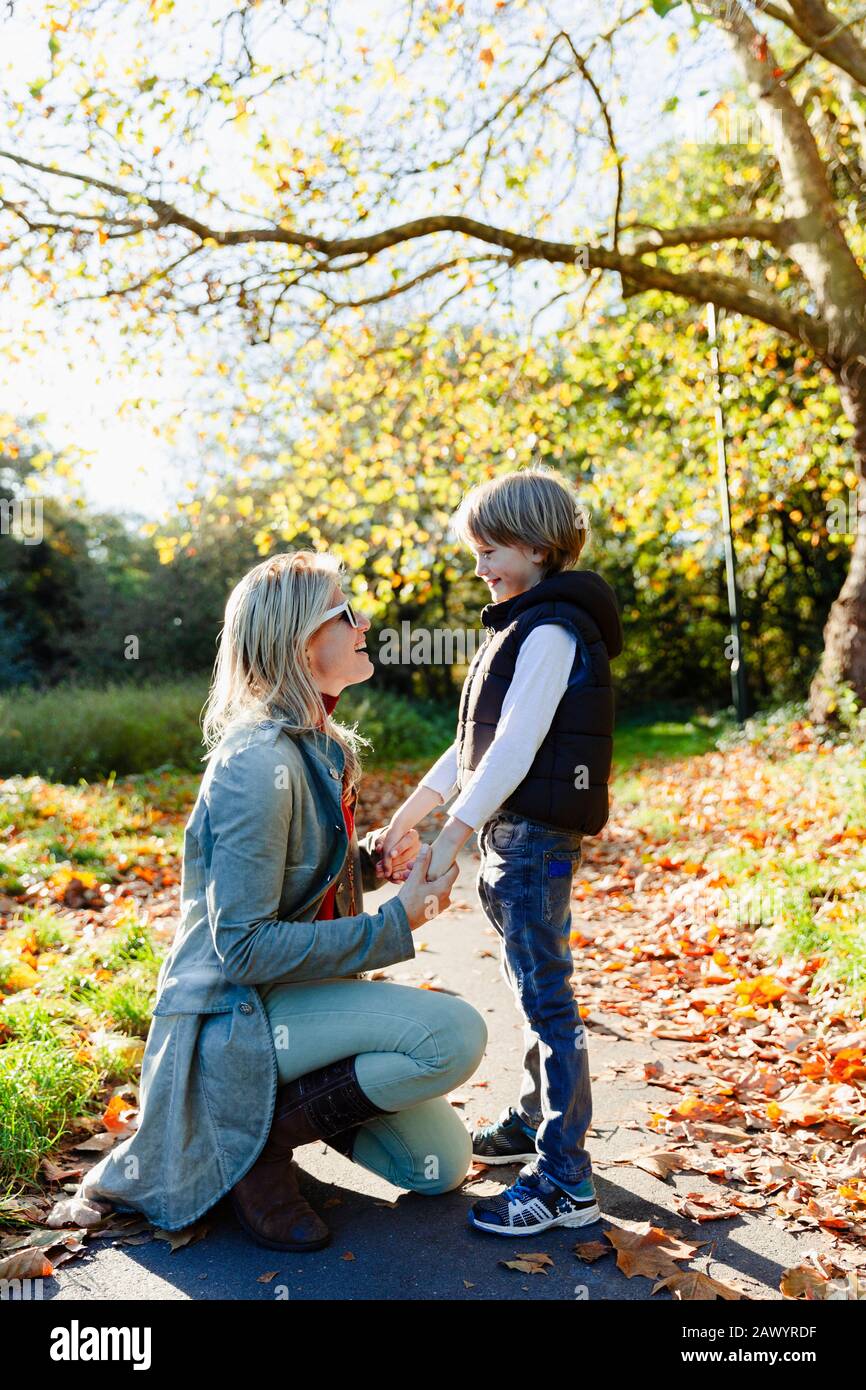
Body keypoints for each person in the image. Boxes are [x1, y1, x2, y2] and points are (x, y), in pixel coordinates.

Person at [64, 550, 487, 1252]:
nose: (365, 621)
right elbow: (245, 946)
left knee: (438, 1165)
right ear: (301, 642)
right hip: (237, 1012)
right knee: (454, 1034)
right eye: (346, 611)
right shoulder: (257, 763)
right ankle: (254, 1153)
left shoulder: (319, 747)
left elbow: (300, 881)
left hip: (301, 996)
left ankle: (263, 1125)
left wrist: (370, 864)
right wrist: (395, 921)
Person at [379, 466, 623, 1235]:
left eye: (491, 549)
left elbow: (514, 750)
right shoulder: (520, 624)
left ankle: (566, 1180)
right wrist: (412, 813)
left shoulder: (549, 631)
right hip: (514, 838)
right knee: (529, 986)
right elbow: (470, 748)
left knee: (547, 998)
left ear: (539, 546)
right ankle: (529, 1123)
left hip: (534, 840)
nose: (479, 565)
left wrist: (454, 834)